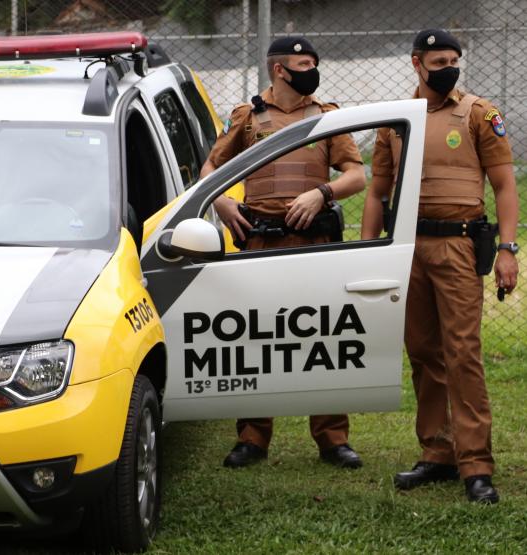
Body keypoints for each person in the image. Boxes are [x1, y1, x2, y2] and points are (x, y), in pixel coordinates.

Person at [361, 29, 518, 504]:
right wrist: (369, 249)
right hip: (407, 249)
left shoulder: (477, 113)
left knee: (463, 353)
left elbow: (505, 186)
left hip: (458, 246)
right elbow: (377, 191)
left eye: (454, 58)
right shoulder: (396, 121)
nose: (449, 66)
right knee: (424, 352)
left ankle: (476, 465)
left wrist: (508, 248)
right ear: (416, 62)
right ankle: (437, 452)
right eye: (439, 59)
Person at [200, 36, 366, 469]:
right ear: (279, 70)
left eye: (313, 62)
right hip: (261, 242)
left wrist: (321, 193)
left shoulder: (327, 117)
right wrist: (220, 201)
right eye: (303, 63)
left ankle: (333, 439)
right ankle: (252, 438)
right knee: (256, 338)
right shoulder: (248, 117)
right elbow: (210, 168)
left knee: (324, 338)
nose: (312, 69)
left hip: (315, 243)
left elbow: (356, 175)